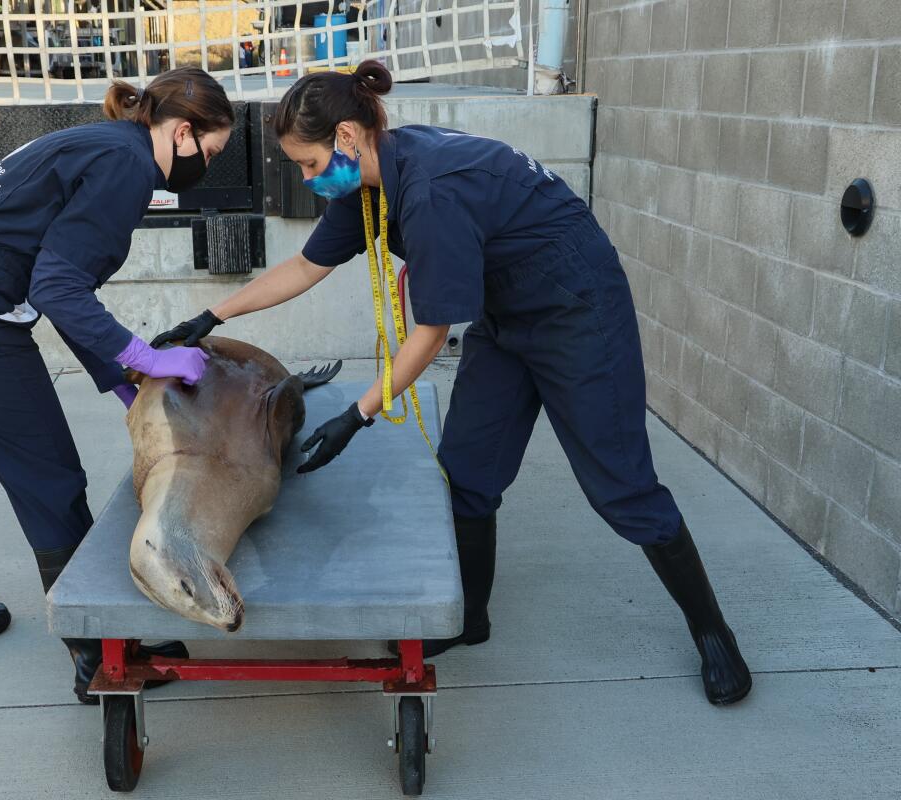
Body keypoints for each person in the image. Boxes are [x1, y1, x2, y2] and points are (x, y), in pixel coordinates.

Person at [153, 61, 752, 705]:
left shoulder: (432, 192)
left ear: (348, 138)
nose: (306, 177)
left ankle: (713, 632)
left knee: (622, 486)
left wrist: (354, 416)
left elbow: (430, 335)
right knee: (468, 470)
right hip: (507, 312)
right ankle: (471, 616)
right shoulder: (371, 184)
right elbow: (303, 267)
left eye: (308, 163)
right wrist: (209, 316)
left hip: (577, 310)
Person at [0, 68, 235, 703]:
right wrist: (146, 357)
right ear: (182, 132)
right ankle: (97, 655)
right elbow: (58, 288)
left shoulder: (102, 144)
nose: (207, 163)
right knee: (50, 477)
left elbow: (62, 286)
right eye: (210, 151)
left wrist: (119, 373)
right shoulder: (126, 169)